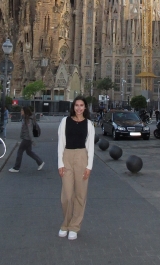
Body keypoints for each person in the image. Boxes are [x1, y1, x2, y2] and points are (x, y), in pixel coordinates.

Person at [58, 96, 95, 240]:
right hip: (67, 156)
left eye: (82, 105)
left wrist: (89, 166)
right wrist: (60, 164)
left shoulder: (89, 124)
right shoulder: (64, 121)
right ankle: (65, 223)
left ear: (85, 108)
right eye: (76, 105)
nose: (79, 108)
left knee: (80, 194)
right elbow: (61, 143)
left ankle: (75, 226)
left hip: (82, 157)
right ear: (73, 107)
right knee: (67, 195)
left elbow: (90, 147)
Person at [9, 107, 44, 173]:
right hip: (27, 138)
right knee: (29, 152)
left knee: (20, 151)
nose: (20, 111)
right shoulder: (26, 118)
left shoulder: (28, 119)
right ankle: (40, 162)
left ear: (25, 111)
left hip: (27, 138)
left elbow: (30, 130)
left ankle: (16, 168)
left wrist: (32, 140)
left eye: (22, 110)